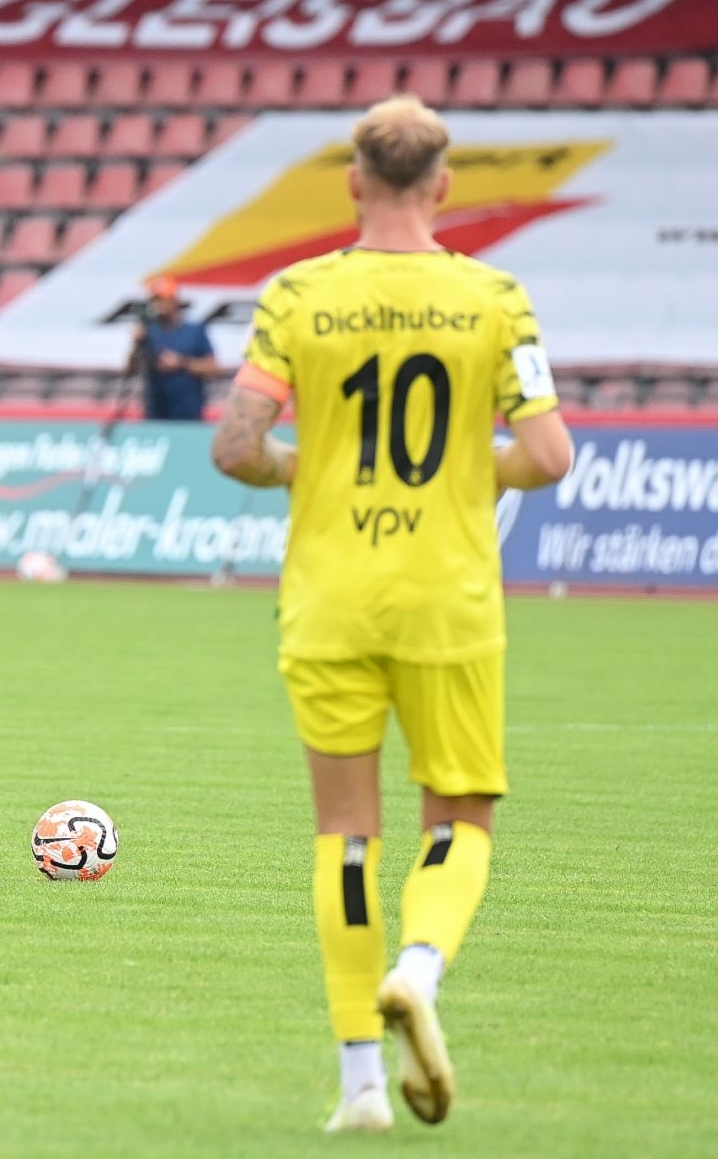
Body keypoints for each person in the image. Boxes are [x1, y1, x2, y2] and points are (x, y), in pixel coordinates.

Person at [210, 95, 574, 1133]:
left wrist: (307, 467)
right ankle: (419, 965)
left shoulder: (298, 294)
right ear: (444, 184)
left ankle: (361, 1084)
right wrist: (465, 469)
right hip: (446, 601)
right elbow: (548, 456)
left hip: (328, 599)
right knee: (459, 817)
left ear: (355, 183)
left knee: (345, 835)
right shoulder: (494, 297)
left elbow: (236, 447)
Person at [129, 275, 222, 420]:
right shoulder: (149, 331)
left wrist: (181, 363)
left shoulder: (193, 330)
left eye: (162, 300)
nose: (158, 305)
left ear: (174, 300)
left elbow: (213, 368)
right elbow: (131, 369)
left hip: (188, 413)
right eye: (155, 300)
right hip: (155, 413)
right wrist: (136, 343)